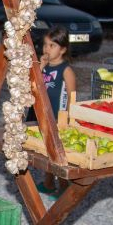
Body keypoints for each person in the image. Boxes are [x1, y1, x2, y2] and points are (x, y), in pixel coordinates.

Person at [37, 25, 76, 196]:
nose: (47, 49)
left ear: (63, 49)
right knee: (48, 152)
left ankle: (63, 187)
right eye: (45, 44)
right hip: (43, 115)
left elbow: (72, 95)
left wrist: (68, 118)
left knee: (57, 155)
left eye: (52, 45)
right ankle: (48, 183)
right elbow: (33, 84)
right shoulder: (43, 66)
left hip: (58, 117)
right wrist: (40, 66)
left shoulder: (65, 70)